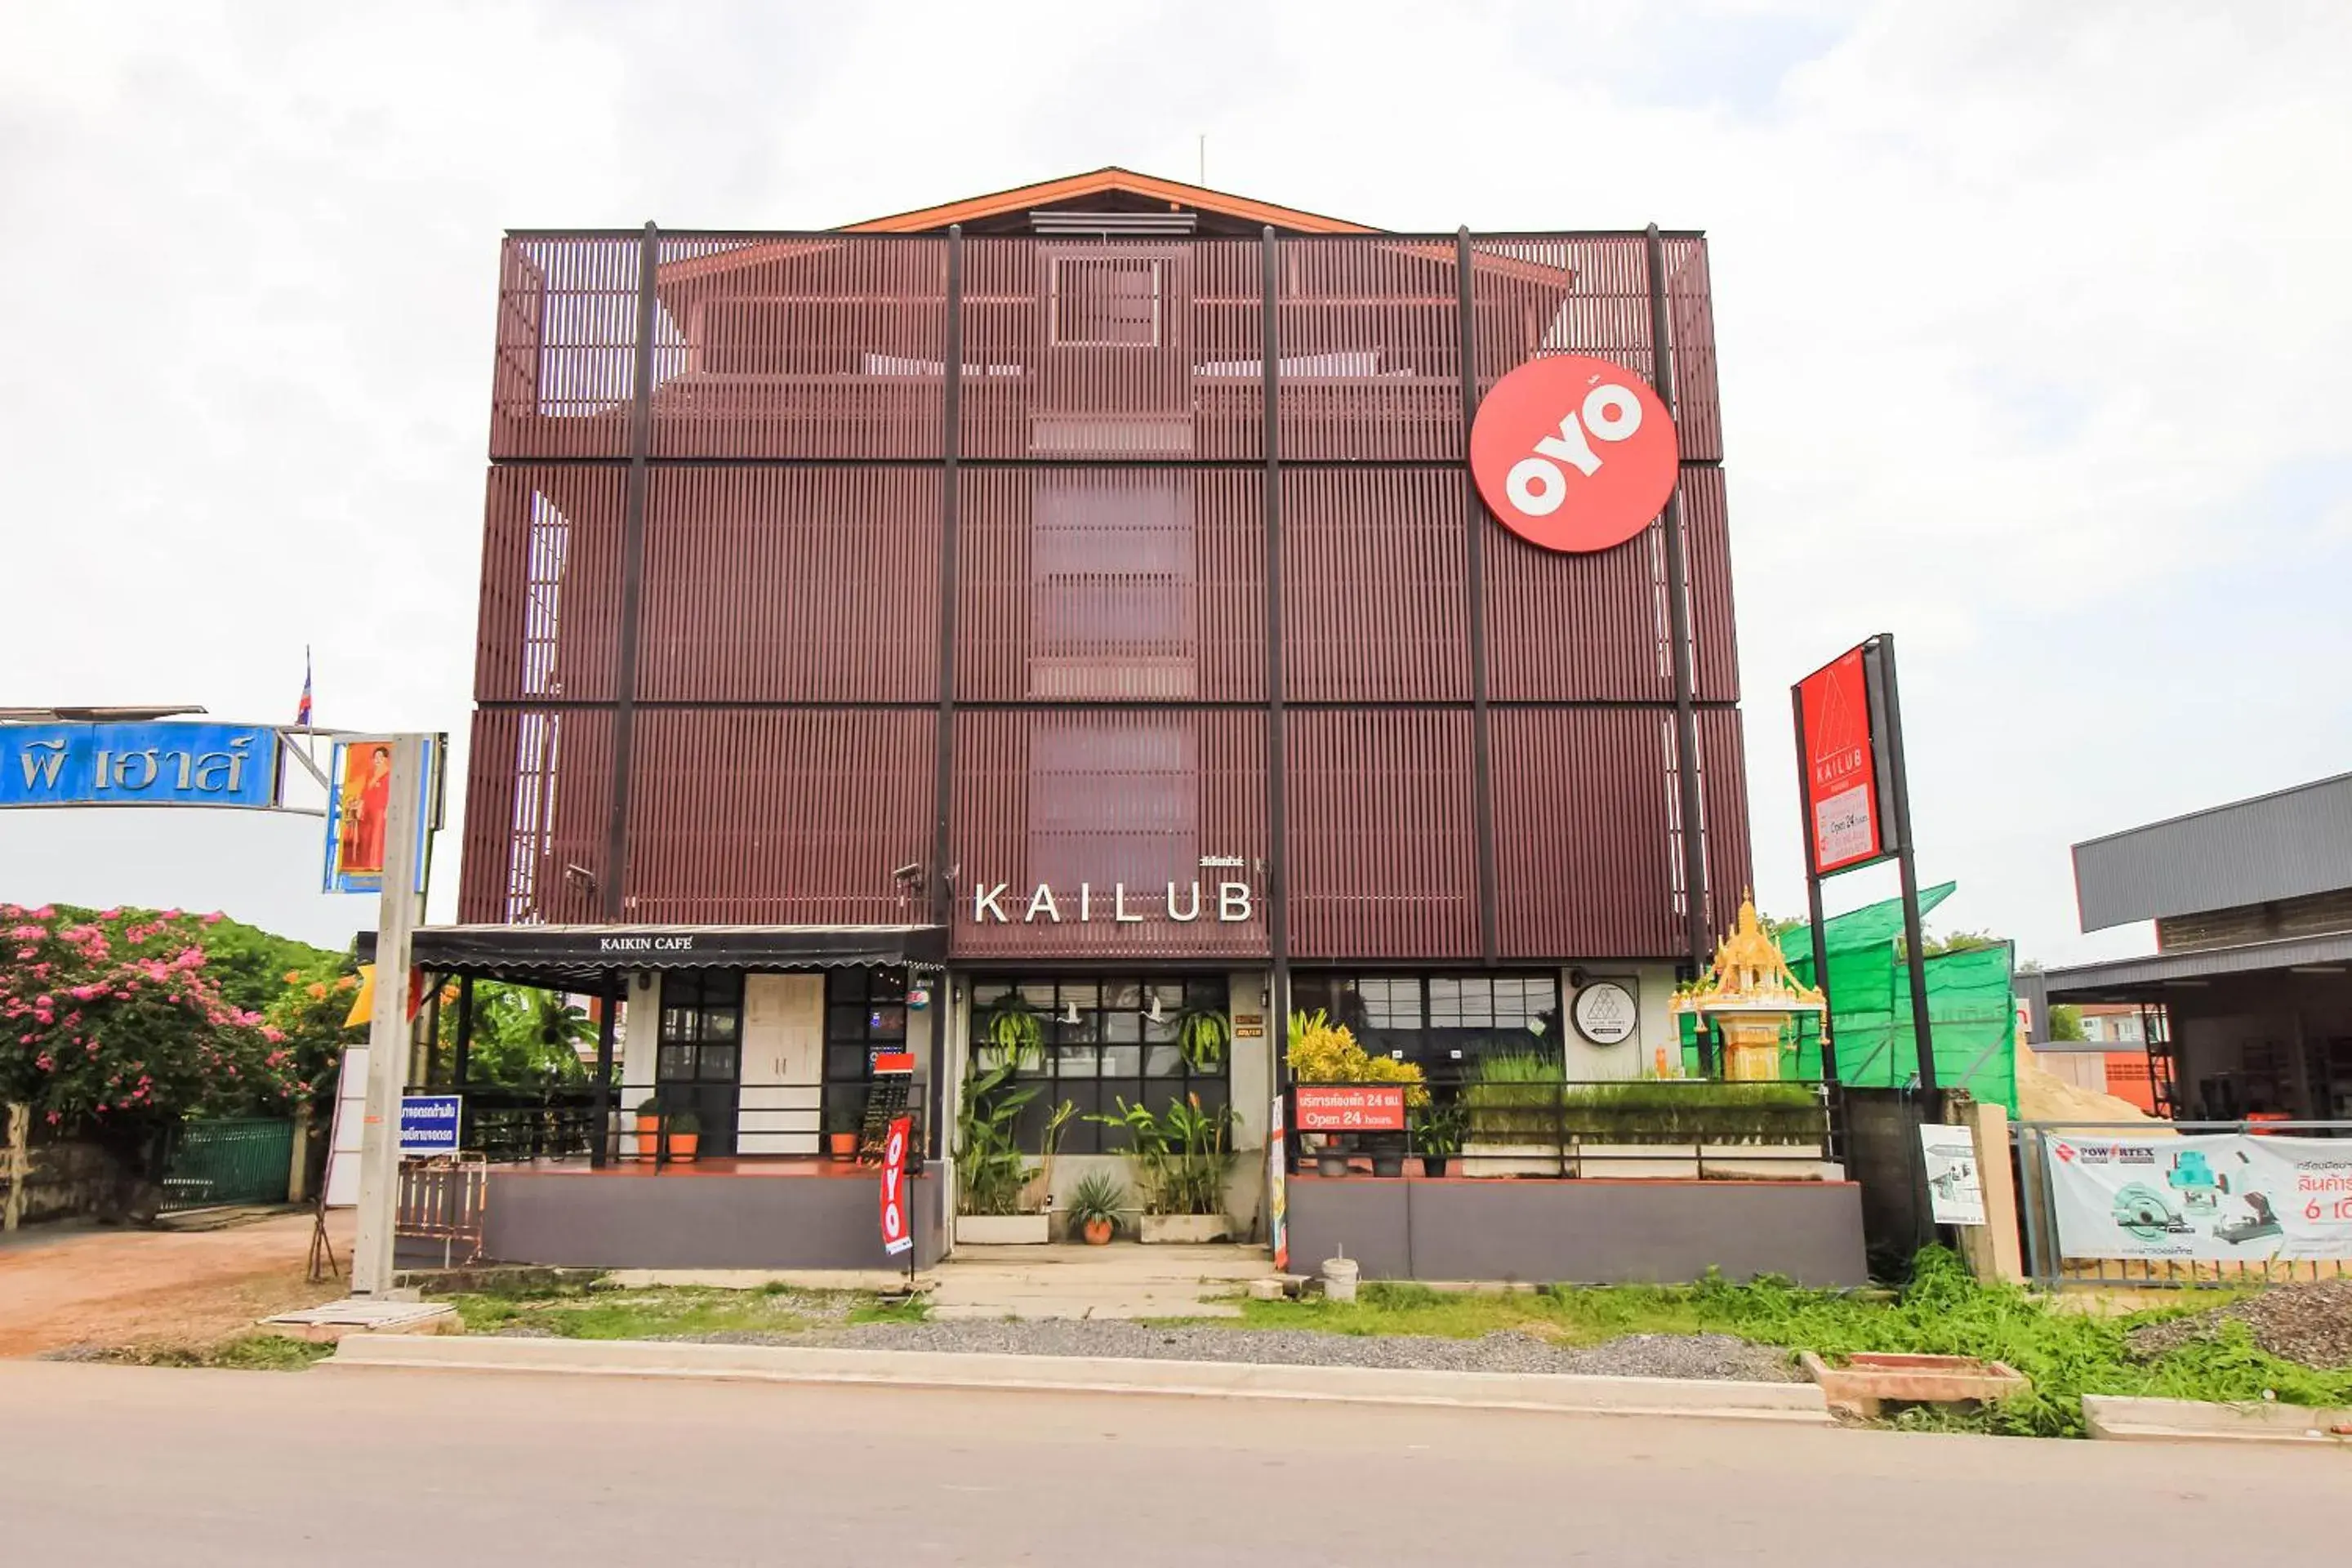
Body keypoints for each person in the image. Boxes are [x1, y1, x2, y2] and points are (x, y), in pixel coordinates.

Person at [343, 744, 393, 874]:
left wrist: (388, 809)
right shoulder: (370, 774)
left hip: (380, 810)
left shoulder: (389, 775)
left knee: (377, 837)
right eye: (375, 757)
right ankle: (367, 863)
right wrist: (359, 806)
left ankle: (376, 864)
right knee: (367, 837)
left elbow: (391, 794)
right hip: (368, 810)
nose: (377, 760)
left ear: (386, 759)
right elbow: (365, 792)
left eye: (380, 757)